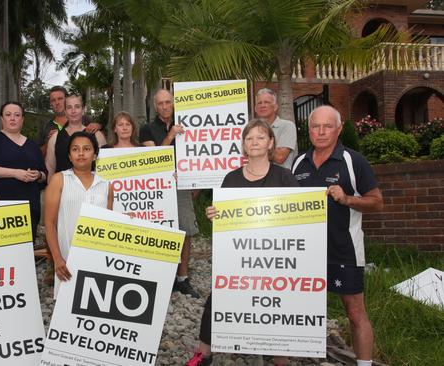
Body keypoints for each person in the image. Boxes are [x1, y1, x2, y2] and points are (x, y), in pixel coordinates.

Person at [186, 119, 298, 366]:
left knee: (278, 303)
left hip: (276, 255)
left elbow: (298, 218)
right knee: (219, 299)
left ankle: (281, 358)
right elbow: (224, 220)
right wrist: (215, 215)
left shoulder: (285, 177)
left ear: (270, 143)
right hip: (238, 257)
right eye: (249, 138)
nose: (254, 142)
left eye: (260, 137)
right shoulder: (231, 179)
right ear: (244, 146)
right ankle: (204, 354)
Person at [291, 105, 383, 366]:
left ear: (339, 129)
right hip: (306, 253)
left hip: (344, 250)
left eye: (327, 126)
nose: (320, 132)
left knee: (355, 314)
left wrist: (347, 199)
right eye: (315, 126)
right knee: (302, 312)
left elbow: (377, 202)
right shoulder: (299, 162)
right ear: (308, 130)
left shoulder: (353, 161)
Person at [140, 88, 200, 298]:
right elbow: (153, 159)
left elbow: (200, 151)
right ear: (155, 106)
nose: (165, 106)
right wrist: (171, 135)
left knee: (185, 231)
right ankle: (160, 277)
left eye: (168, 102)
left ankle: (182, 279)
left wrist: (197, 181)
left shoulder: (188, 122)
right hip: (157, 187)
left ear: (173, 103)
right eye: (160, 103)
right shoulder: (147, 129)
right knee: (160, 232)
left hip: (182, 185)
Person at [44, 131, 114, 286]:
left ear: (95, 155)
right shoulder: (59, 180)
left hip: (98, 260)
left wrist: (126, 220)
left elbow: (109, 224)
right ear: (69, 156)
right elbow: (49, 223)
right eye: (75, 149)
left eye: (86, 149)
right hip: (66, 261)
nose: (81, 153)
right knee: (67, 306)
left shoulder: (106, 186)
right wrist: (57, 258)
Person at [0, 101, 47, 241]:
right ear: (1, 119)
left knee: (25, 253)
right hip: (0, 208)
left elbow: (44, 173)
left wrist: (38, 175)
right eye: (8, 115)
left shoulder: (32, 145)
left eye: (17, 115)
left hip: (29, 210)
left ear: (22, 119)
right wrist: (15, 173)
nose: (12, 118)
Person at [45, 94, 107, 179]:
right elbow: (50, 169)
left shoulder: (96, 135)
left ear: (83, 110)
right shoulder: (55, 137)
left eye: (77, 107)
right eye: (69, 107)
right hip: (63, 189)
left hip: (90, 190)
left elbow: (105, 168)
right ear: (65, 111)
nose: (73, 111)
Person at [36, 86, 102, 155]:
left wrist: (98, 126)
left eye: (60, 98)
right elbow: (37, 154)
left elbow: (100, 141)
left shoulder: (83, 119)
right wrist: (49, 143)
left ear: (66, 99)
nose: (57, 102)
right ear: (51, 104)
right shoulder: (45, 126)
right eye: (53, 100)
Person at [254, 88, 298, 169]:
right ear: (255, 108)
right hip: (257, 178)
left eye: (266, 102)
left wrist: (255, 147)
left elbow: (280, 157)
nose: (262, 105)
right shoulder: (252, 129)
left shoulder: (287, 126)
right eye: (259, 103)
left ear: (275, 107)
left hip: (281, 179)